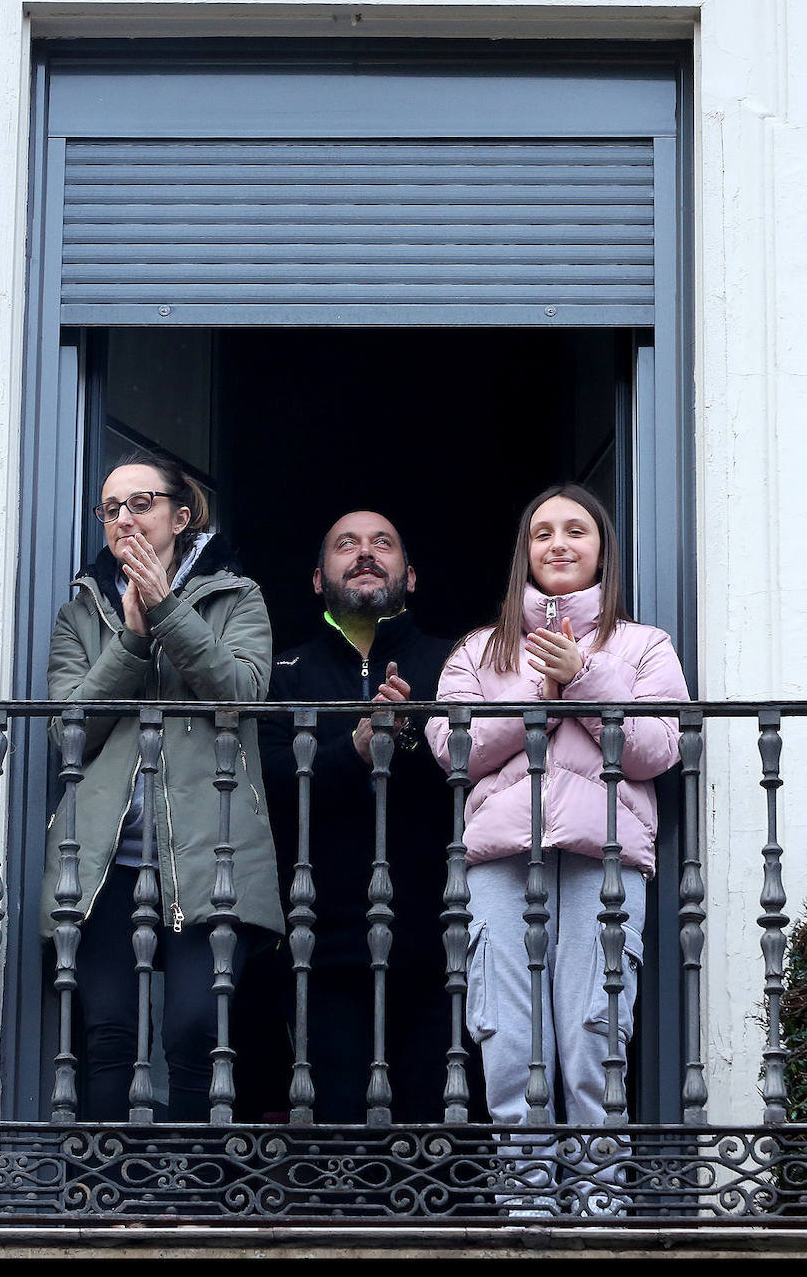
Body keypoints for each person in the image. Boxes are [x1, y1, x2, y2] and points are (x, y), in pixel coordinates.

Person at [425, 483, 689, 1215]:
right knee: (507, 1038)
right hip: (501, 864)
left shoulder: (643, 646)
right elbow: (450, 748)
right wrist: (536, 698)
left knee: (591, 1035)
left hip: (602, 861)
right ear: (525, 553)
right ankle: (528, 1212)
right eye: (542, 533)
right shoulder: (479, 649)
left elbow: (656, 748)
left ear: (601, 546)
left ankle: (599, 1214)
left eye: (575, 530)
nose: (558, 544)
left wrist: (585, 678)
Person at [38, 451, 284, 1122]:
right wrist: (132, 639)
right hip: (100, 861)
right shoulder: (82, 612)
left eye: (140, 503)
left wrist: (168, 610)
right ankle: (103, 1199)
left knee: (194, 1031)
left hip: (212, 853)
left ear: (180, 516)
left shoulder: (238, 596)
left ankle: (187, 1200)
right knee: (108, 1033)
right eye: (111, 508)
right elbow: (69, 733)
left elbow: (240, 692)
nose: (124, 518)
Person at [257, 510, 461, 1124]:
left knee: (434, 1133)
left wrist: (404, 739)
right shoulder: (283, 674)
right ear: (319, 579)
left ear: (412, 576)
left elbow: (490, 774)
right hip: (321, 939)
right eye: (347, 545)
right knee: (338, 1132)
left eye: (382, 544)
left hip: (440, 935)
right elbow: (259, 782)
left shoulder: (456, 665)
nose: (365, 553)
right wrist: (352, 747)